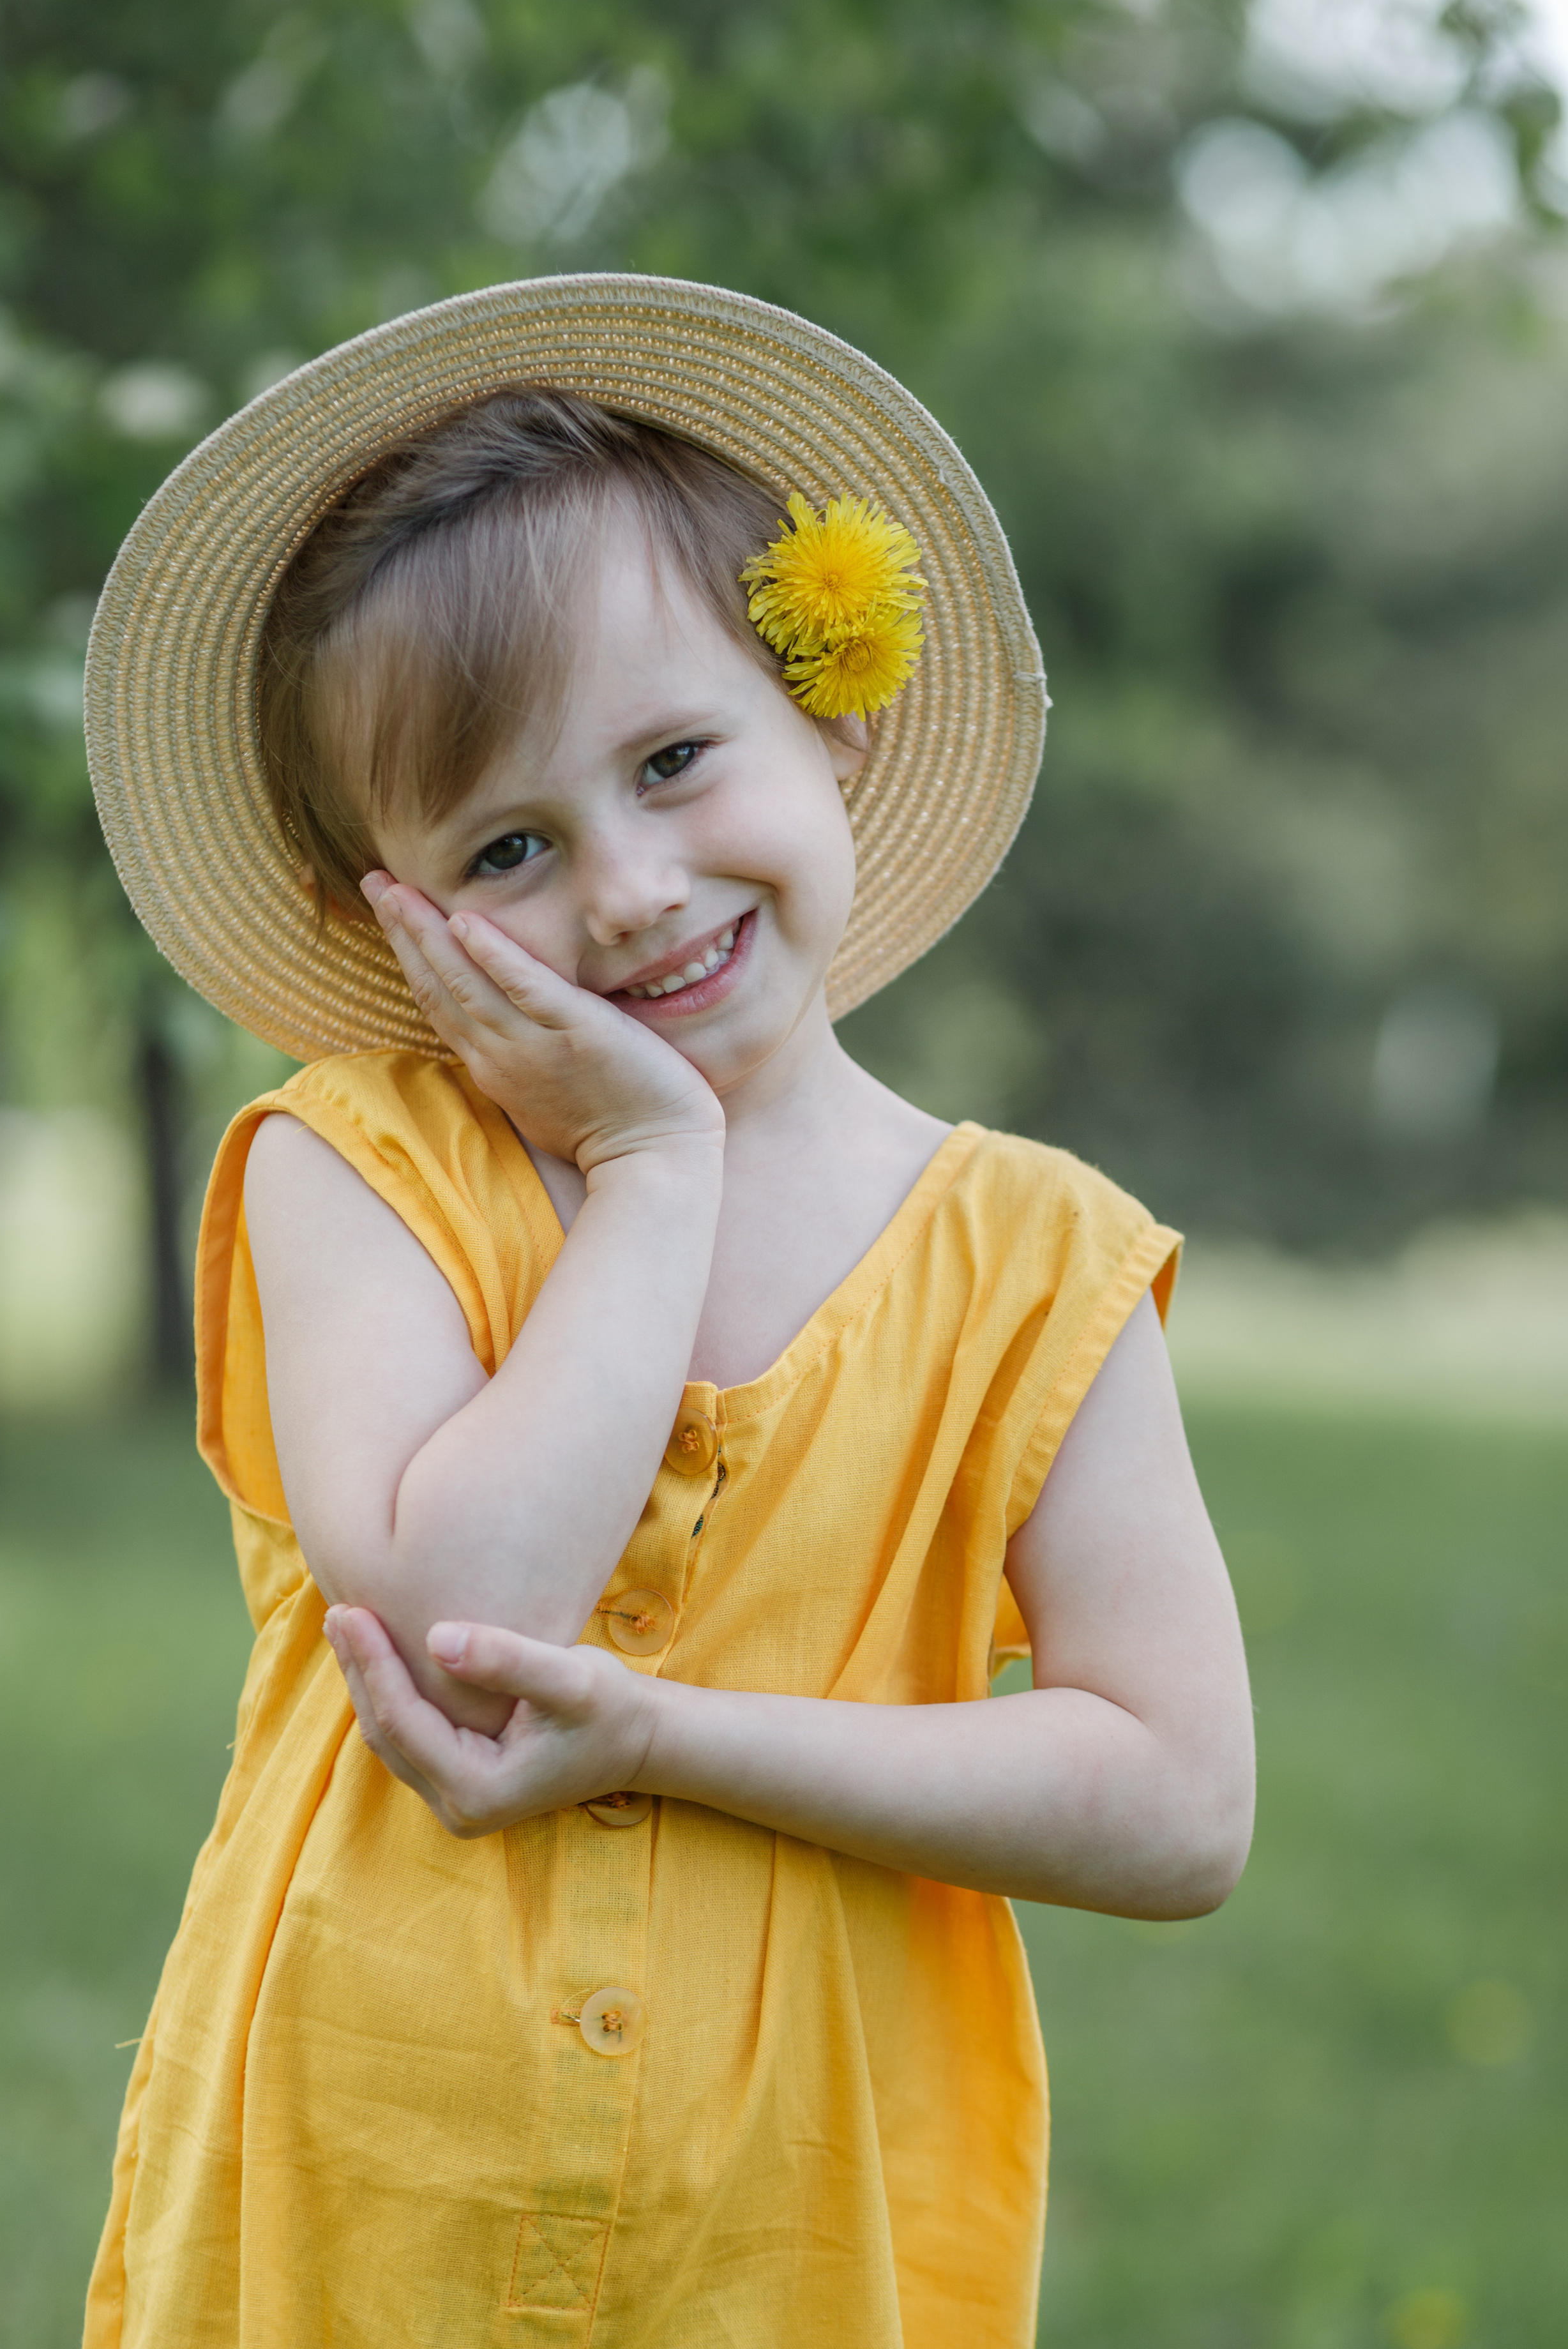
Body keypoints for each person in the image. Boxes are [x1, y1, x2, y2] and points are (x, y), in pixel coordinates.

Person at [80, 276, 1254, 2349]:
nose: (625, 891)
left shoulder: (1036, 1261)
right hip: (363, 2229)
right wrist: (651, 1175)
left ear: (840, 714)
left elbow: (1179, 1806)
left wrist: (681, 1744)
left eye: (677, 757)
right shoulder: (351, 1169)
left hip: (790, 2245)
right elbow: (470, 1617)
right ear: (401, 920)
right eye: (512, 844)